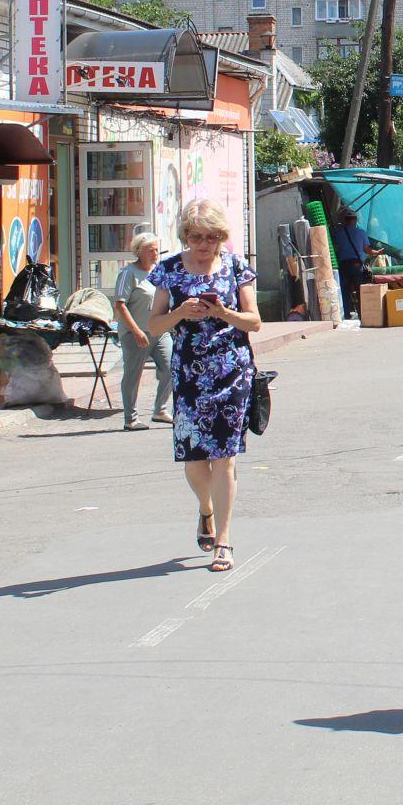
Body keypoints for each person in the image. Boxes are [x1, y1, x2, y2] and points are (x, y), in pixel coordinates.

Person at [146, 198, 262, 574]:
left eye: (211, 237)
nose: (204, 244)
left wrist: (222, 312)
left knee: (224, 458)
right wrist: (181, 312)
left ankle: (224, 541)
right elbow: (154, 326)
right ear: (185, 236)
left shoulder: (235, 267)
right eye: (196, 237)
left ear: (221, 238)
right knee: (196, 460)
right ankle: (205, 508)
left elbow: (254, 322)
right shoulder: (168, 271)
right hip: (190, 374)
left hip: (231, 369)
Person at [114, 233, 174, 431]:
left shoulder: (159, 272)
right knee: (133, 374)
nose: (155, 254)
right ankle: (130, 418)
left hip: (160, 331)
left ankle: (160, 409)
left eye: (157, 250)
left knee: (171, 367)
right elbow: (120, 306)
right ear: (138, 251)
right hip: (135, 333)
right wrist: (136, 331)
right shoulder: (128, 273)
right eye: (150, 250)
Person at [334, 209, 371, 320]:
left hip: (343, 266)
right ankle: (362, 314)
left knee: (345, 291)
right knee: (360, 290)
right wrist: (376, 252)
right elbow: (367, 249)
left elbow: (337, 248)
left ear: (345, 220)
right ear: (354, 220)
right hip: (356, 265)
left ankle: (346, 314)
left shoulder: (338, 233)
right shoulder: (361, 232)